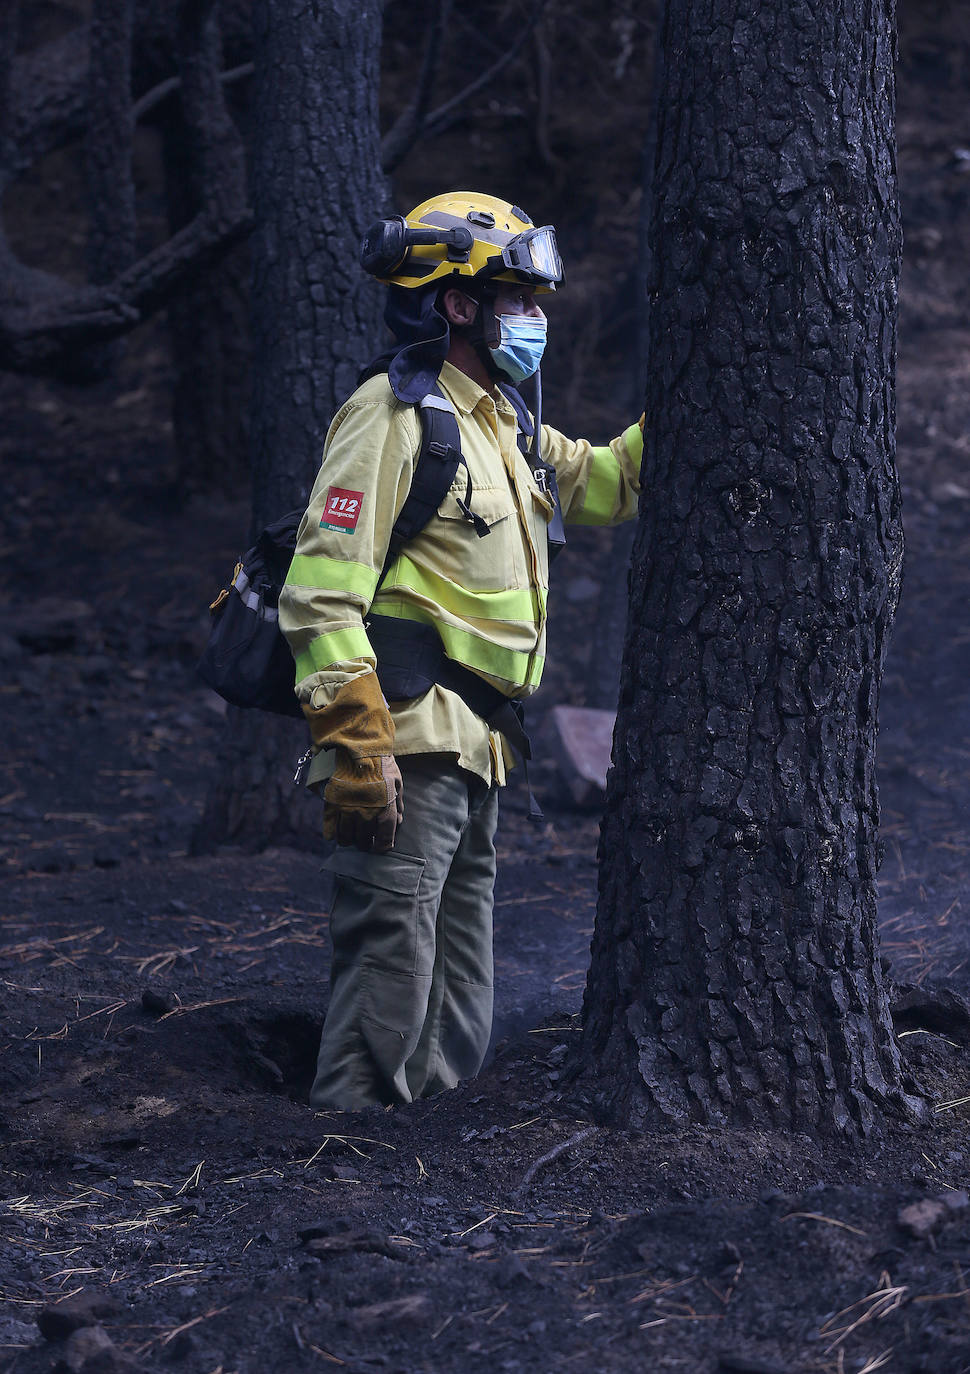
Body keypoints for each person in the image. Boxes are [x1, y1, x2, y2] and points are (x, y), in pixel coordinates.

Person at [278, 191, 643, 1110]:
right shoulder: (392, 416)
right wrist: (359, 744)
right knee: (392, 965)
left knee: (460, 974)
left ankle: (431, 1147)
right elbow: (319, 593)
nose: (534, 318)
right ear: (456, 303)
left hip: (481, 745)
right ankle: (350, 1144)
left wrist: (697, 396)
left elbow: (604, 482)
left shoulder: (503, 422)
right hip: (405, 744)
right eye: (516, 298)